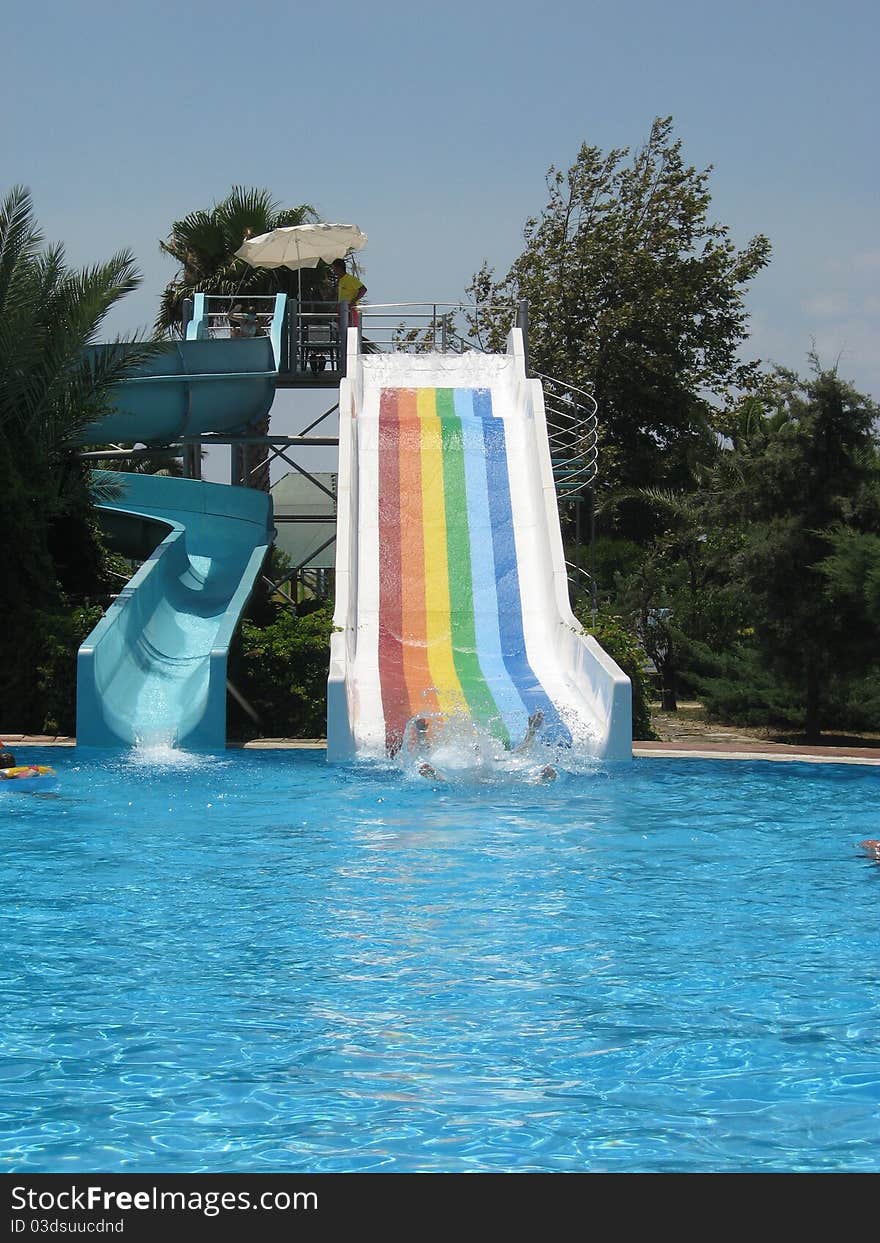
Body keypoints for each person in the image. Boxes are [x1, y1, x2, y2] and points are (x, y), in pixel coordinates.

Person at [332, 258, 367, 327]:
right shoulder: (340, 280)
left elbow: (363, 289)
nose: (333, 271)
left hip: (350, 310)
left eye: (334, 268)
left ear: (339, 268)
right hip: (342, 309)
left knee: (350, 330)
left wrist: (354, 301)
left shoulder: (350, 279)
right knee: (342, 331)